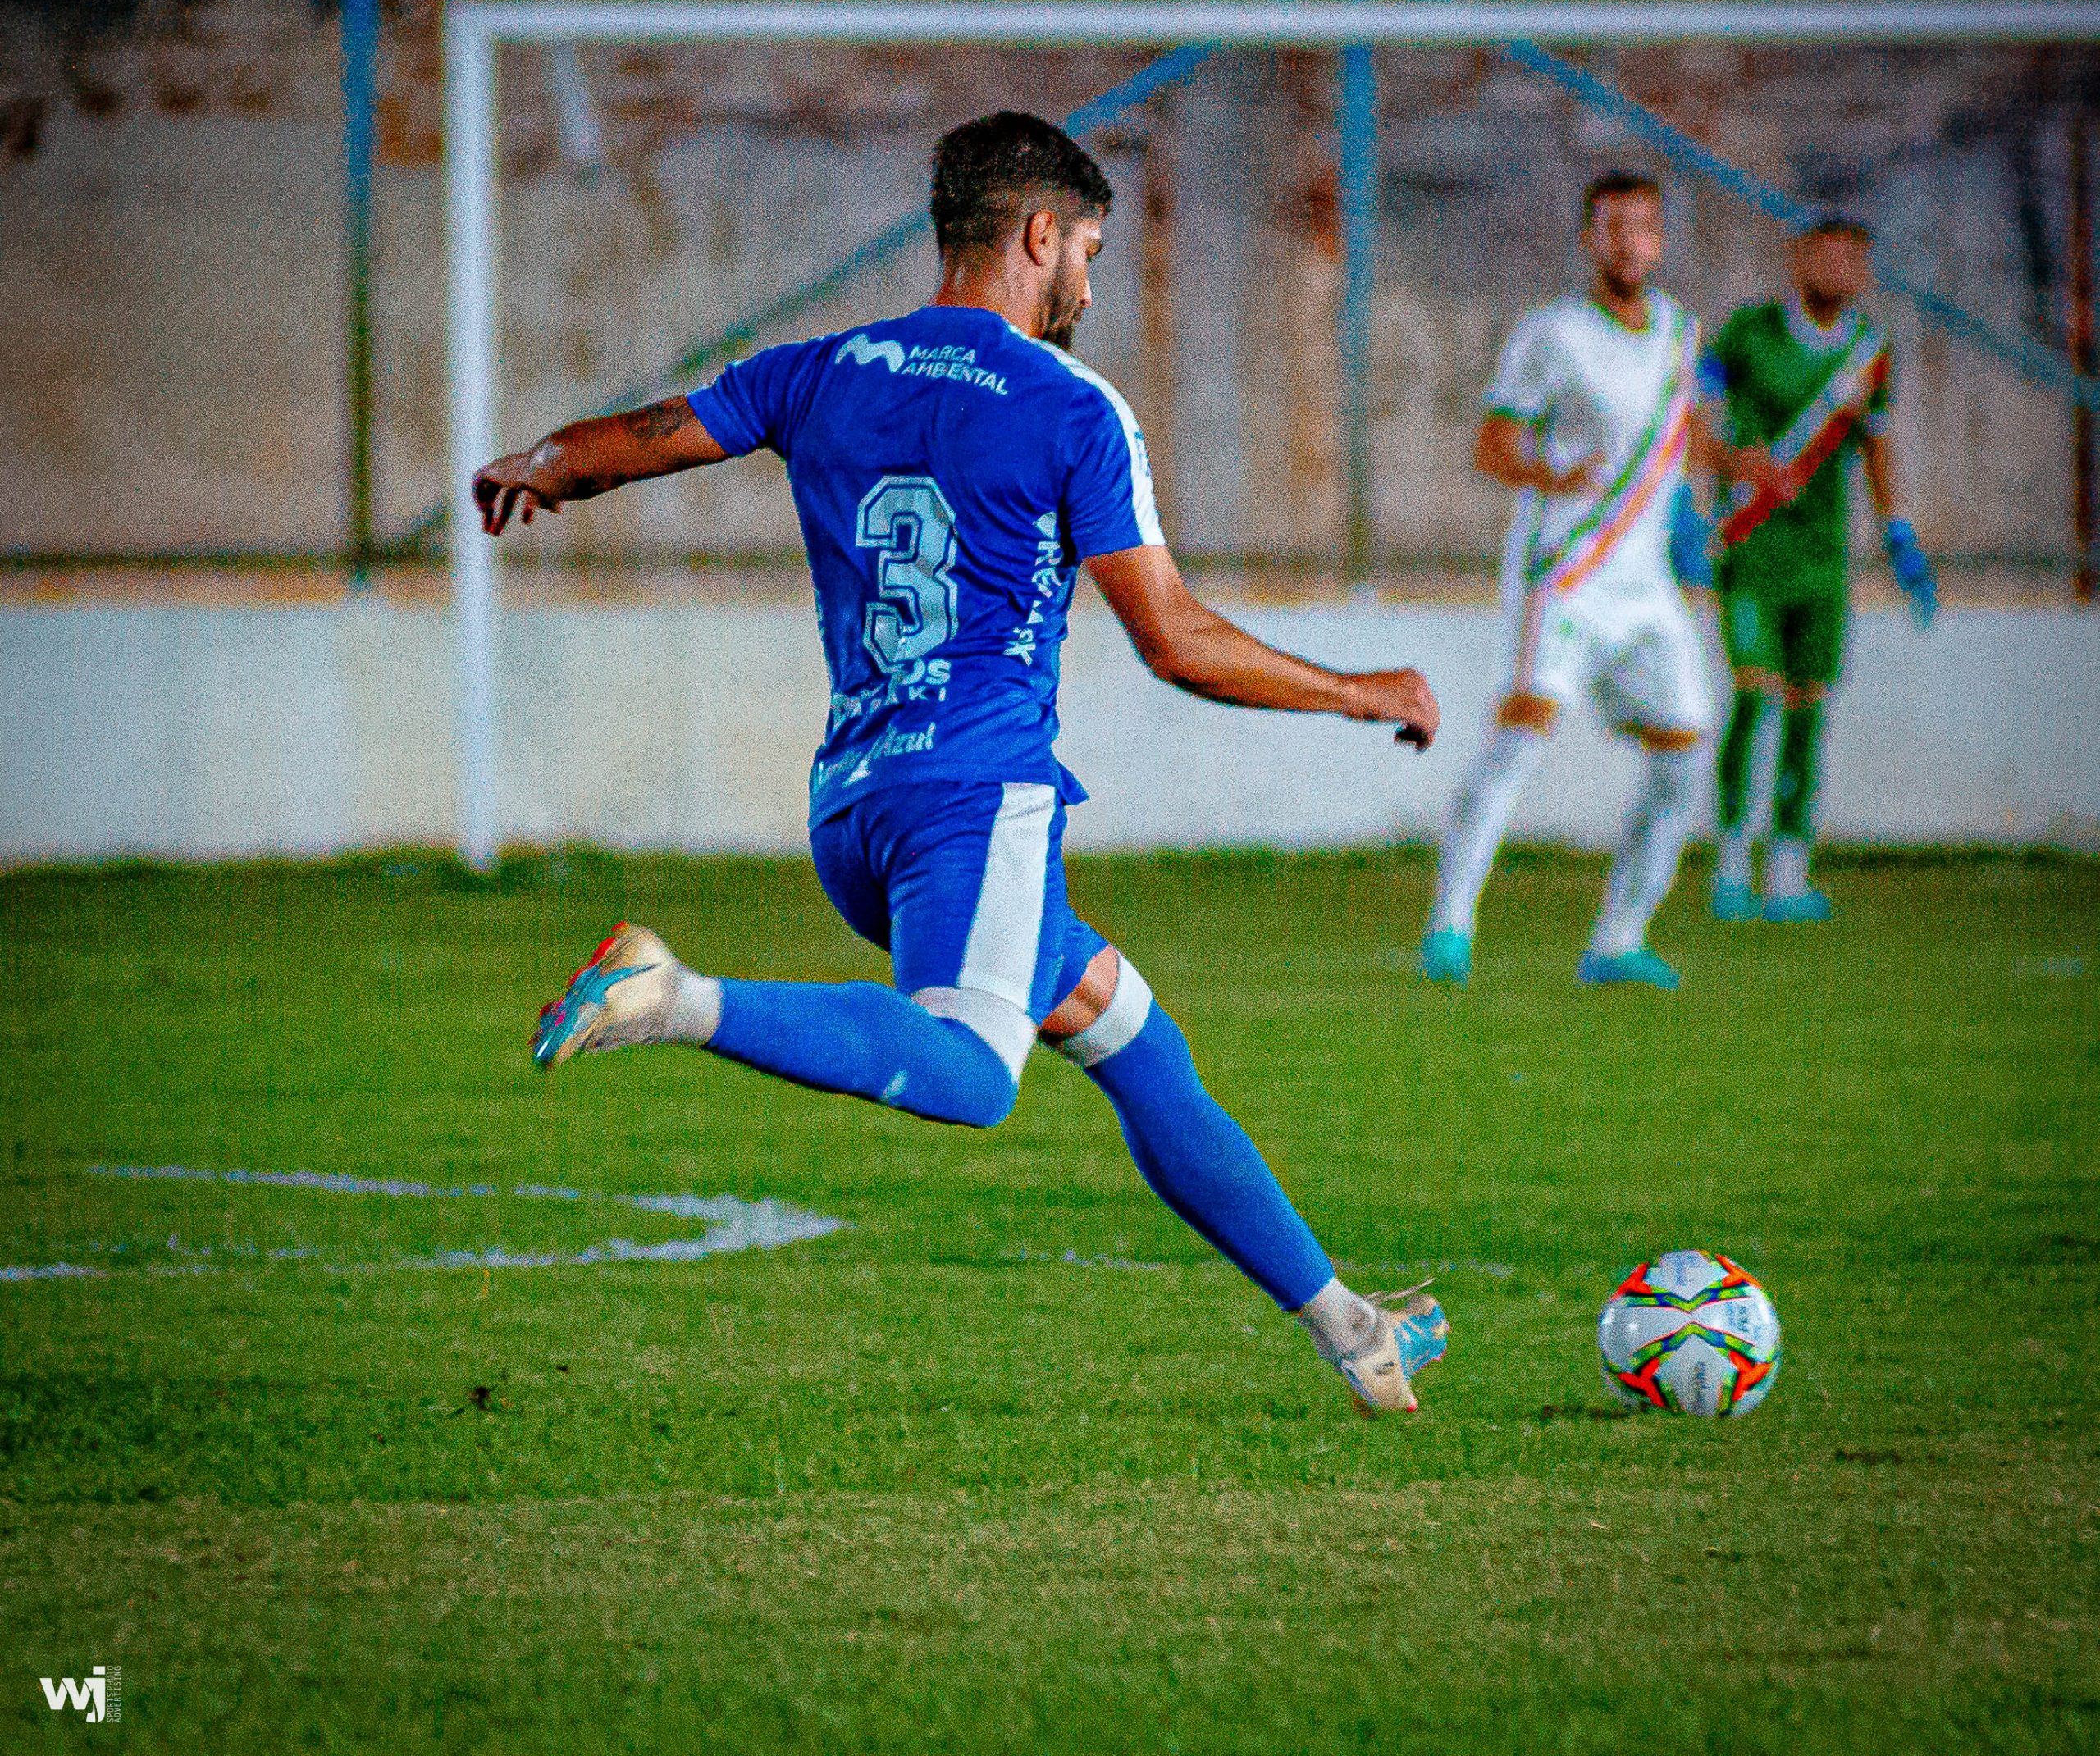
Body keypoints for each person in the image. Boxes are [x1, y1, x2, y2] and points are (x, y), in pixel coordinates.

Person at [472, 110, 1449, 1418]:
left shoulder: (817, 369)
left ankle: (1350, 1329)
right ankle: (673, 995)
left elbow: (640, 437)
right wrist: (1355, 691)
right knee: (974, 1075)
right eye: (1088, 253)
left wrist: (543, 463)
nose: (1089, 288)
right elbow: (1173, 640)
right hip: (975, 799)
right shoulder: (1070, 408)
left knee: (1127, 1033)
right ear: (1039, 233)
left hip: (855, 808)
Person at [1419, 171, 1782, 992]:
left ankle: (1617, 939)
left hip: (1646, 584)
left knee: (1684, 756)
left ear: (1660, 241)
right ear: (1589, 239)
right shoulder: (1551, 333)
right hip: (1566, 570)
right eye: (1614, 227)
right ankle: (1449, 925)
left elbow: (1678, 435)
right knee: (1520, 740)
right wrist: (1552, 475)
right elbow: (1492, 445)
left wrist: (1737, 463)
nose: (1630, 243)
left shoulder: (1682, 334)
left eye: (1645, 228)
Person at [1696, 217, 1937, 922]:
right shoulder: (1749, 333)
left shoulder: (1870, 352)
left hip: (1822, 559)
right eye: (1826, 255)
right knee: (1753, 695)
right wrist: (1716, 472)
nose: (1838, 270)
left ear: (1865, 273)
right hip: (1751, 547)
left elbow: (1875, 445)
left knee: (1808, 710)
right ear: (1800, 261)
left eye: (1852, 260)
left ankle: (1789, 868)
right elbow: (1690, 414)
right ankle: (1732, 861)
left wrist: (1897, 532)